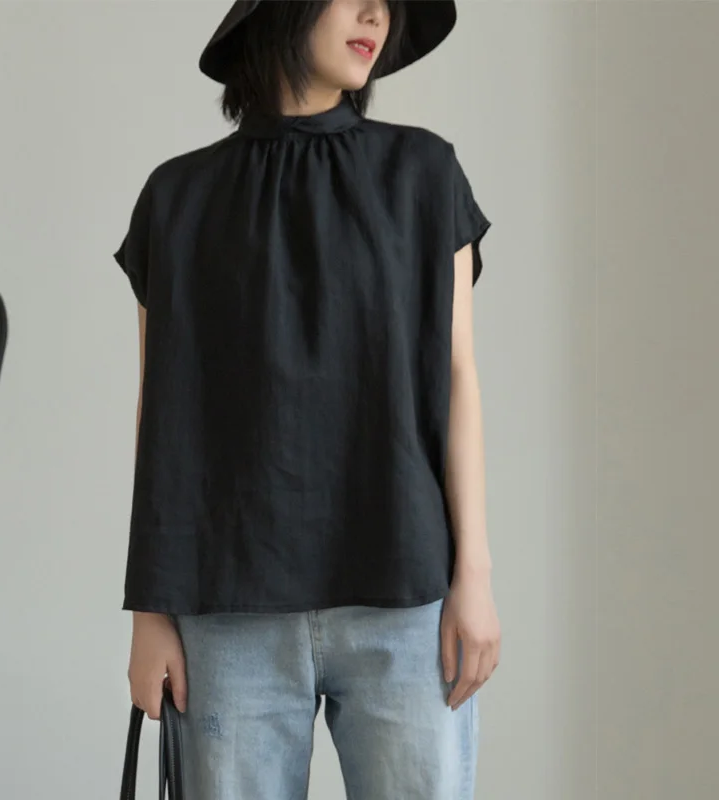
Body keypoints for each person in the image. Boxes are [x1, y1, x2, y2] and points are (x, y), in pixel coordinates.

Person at [112, 1, 501, 797]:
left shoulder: (425, 176)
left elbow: (459, 379)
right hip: (228, 612)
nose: (376, 12)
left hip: (405, 598)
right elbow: (162, 413)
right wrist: (151, 612)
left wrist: (476, 577)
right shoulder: (177, 199)